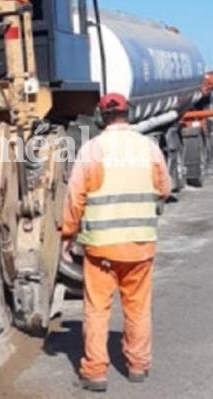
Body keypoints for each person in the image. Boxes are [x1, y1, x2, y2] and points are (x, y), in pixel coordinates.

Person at [61, 93, 171, 393]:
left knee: (97, 310)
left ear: (100, 117)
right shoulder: (148, 148)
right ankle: (138, 366)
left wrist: (68, 235)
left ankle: (95, 373)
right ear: (128, 114)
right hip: (140, 245)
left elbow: (74, 198)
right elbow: (164, 188)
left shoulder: (91, 150)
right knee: (137, 309)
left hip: (101, 249)